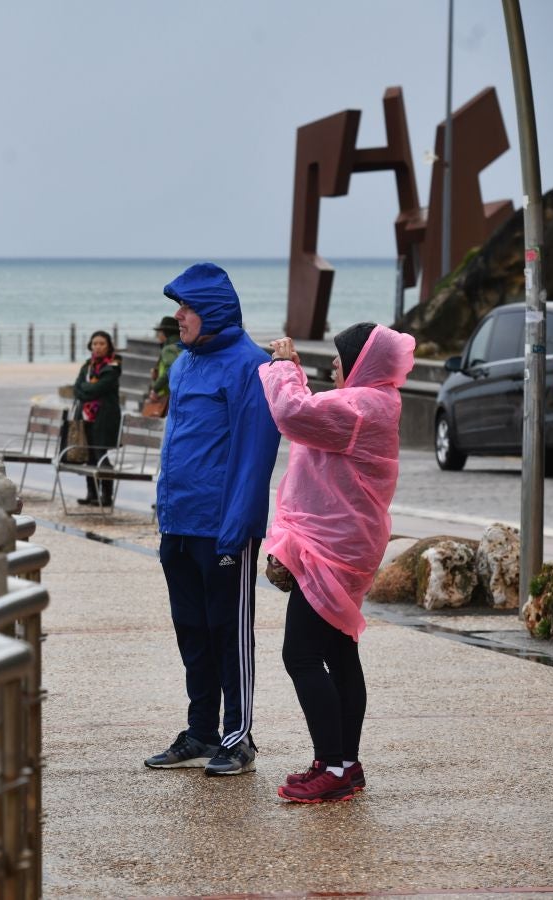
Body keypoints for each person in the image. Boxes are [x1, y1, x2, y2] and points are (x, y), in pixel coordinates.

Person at [260, 324, 414, 803]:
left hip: (333, 552)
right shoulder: (372, 402)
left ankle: (332, 767)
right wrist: (295, 373)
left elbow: (293, 413)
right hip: (344, 547)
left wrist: (283, 367)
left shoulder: (363, 407)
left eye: (341, 356)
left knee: (300, 655)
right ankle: (345, 763)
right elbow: (315, 414)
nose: (333, 364)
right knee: (339, 653)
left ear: (362, 362)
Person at [144, 262, 280, 776]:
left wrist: (238, 525)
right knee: (191, 631)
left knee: (229, 633)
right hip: (178, 522)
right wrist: (165, 510)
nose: (178, 316)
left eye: (187, 307)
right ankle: (201, 731)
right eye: (178, 306)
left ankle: (238, 737)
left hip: (222, 528)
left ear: (213, 311)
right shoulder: (183, 365)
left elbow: (255, 453)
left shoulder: (251, 366)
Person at [71, 330, 121, 507]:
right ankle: (92, 494)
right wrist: (86, 390)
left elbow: (98, 388)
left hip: (105, 418)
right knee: (89, 455)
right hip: (86, 416)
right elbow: (76, 388)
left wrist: (85, 390)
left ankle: (106, 496)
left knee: (102, 455)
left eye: (102, 343)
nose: (98, 347)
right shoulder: (87, 366)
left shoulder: (113, 366)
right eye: (95, 344)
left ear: (109, 346)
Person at [145, 315, 182, 415]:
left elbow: (171, 369)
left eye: (159, 333)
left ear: (165, 333)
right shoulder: (182, 347)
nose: (158, 336)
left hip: (168, 396)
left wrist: (155, 388)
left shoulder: (168, 349)